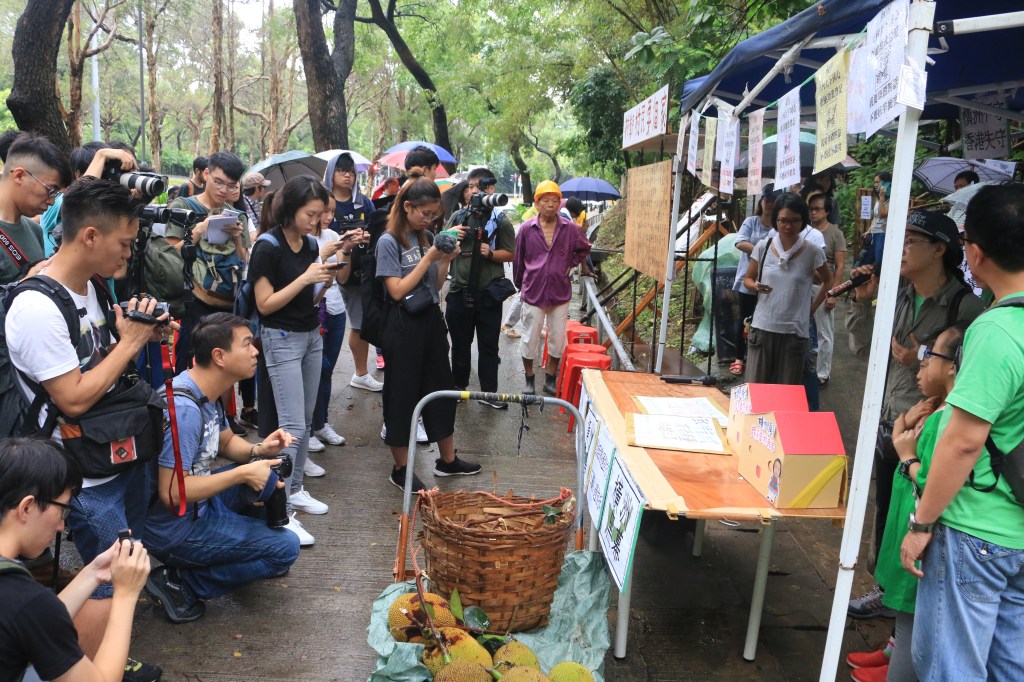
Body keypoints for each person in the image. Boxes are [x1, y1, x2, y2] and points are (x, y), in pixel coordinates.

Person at [5, 177, 168, 680]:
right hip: (85, 473)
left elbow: (102, 360)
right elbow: (72, 396)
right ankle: (93, 670)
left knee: (124, 564)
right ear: (90, 237)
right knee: (104, 584)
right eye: (124, 243)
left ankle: (104, 659)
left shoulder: (93, 287)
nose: (128, 253)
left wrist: (135, 332)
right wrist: (131, 343)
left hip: (123, 455)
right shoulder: (36, 306)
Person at [900, 183, 1024, 679]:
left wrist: (922, 523)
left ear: (973, 251)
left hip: (978, 529)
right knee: (1009, 665)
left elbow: (965, 439)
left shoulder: (994, 331)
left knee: (952, 665)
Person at [845, 209, 984, 620]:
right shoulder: (898, 294)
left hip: (933, 428)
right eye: (898, 240)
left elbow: (968, 371)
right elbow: (863, 350)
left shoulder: (966, 306)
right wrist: (862, 303)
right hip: (891, 418)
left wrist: (920, 357)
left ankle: (904, 612)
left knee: (919, 516)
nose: (899, 250)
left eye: (911, 241)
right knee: (887, 509)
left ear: (940, 249)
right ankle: (886, 591)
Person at [144, 313, 301, 621]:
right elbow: (173, 493)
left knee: (266, 480)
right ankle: (180, 583)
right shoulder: (185, 409)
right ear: (219, 356)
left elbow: (228, 443)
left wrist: (260, 449)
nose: (256, 350)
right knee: (286, 549)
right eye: (246, 344)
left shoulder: (207, 390)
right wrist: (242, 473)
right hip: (175, 528)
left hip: (197, 505)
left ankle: (246, 550)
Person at [846, 323, 967, 682]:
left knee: (912, 611)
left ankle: (899, 670)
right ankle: (893, 653)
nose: (920, 367)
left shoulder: (948, 421)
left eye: (928, 359)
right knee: (903, 608)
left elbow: (931, 479)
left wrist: (907, 456)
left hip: (922, 530)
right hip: (908, 523)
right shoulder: (932, 411)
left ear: (952, 367)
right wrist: (902, 425)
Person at [0, 438, 152, 682]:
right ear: (27, 507)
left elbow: (33, 619)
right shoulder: (23, 596)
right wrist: (125, 594)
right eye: (62, 510)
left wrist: (93, 573)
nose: (62, 525)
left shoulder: (20, 599)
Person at [246, 177, 337, 545]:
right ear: (290, 209)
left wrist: (324, 283)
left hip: (309, 334)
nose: (315, 222)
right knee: (291, 423)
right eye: (309, 214)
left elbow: (308, 299)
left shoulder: (311, 243)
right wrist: (304, 280)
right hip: (279, 337)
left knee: (306, 417)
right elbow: (265, 305)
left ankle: (295, 489)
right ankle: (280, 507)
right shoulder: (266, 247)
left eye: (318, 215)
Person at [376, 178, 481, 491]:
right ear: (407, 206)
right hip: (402, 325)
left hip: (430, 322)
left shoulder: (427, 236)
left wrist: (445, 259)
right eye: (425, 213)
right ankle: (401, 469)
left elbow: (434, 286)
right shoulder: (389, 242)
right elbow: (395, 291)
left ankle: (447, 461)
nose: (430, 219)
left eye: (435, 214)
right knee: (402, 394)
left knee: (441, 389)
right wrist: (428, 258)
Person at [165, 151, 252, 373]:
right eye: (219, 182)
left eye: (231, 186)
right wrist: (201, 228)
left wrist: (235, 236)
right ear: (205, 174)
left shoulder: (237, 215)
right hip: (194, 300)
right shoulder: (183, 206)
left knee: (225, 363)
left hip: (228, 299)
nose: (224, 190)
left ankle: (223, 409)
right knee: (193, 361)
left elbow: (244, 260)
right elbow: (169, 253)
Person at [443, 168, 516, 408]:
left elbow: (511, 254)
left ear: (490, 189)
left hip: (488, 294)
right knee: (460, 344)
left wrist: (491, 253)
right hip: (459, 291)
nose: (473, 191)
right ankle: (458, 387)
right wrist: (452, 236)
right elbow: (440, 244)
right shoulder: (459, 217)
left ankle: (489, 394)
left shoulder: (501, 221)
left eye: (479, 187)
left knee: (488, 346)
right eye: (470, 187)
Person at [742, 192, 832, 385]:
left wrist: (813, 308)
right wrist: (755, 286)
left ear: (803, 221)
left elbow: (828, 280)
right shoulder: (763, 246)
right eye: (783, 220)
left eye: (795, 220)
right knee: (757, 392)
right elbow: (747, 279)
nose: (788, 226)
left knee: (786, 395)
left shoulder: (812, 251)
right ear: (775, 221)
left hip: (794, 332)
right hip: (762, 328)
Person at [512, 180, 592, 395]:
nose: (550, 205)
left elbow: (584, 248)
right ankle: (529, 379)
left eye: (555, 200)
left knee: (557, 338)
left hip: (559, 291)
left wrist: (571, 264)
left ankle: (550, 377)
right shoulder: (527, 229)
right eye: (545, 200)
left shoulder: (570, 229)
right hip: (533, 291)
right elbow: (518, 259)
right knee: (529, 337)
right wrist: (521, 285)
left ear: (559, 204)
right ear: (536, 204)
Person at [309, 194, 363, 453]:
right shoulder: (304, 238)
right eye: (323, 211)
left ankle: (321, 423)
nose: (328, 217)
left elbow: (342, 277)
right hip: (313, 310)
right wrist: (322, 254)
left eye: (331, 212)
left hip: (335, 309)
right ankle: (307, 428)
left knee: (327, 371)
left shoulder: (332, 236)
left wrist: (345, 250)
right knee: (316, 369)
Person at [323, 152, 381, 392]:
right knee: (356, 322)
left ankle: (361, 372)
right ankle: (360, 373)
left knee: (362, 321)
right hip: (335, 272)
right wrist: (344, 241)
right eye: (342, 171)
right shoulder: (325, 203)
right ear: (331, 174)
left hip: (363, 269)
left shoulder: (364, 202)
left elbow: (375, 228)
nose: (348, 176)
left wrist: (366, 236)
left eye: (351, 172)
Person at [0, 133, 72, 283]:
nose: (52, 201)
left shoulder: (35, 230)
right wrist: (24, 284)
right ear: (19, 176)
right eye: (51, 190)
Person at [729, 184, 780, 375]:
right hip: (748, 279)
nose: (768, 203)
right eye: (766, 198)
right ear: (761, 201)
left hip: (772, 283)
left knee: (767, 321)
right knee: (745, 320)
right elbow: (739, 242)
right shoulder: (751, 222)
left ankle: (760, 358)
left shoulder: (780, 226)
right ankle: (738, 358)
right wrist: (763, 252)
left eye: (773, 200)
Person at [807, 193, 847, 387]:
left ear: (827, 211)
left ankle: (822, 374)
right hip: (804, 286)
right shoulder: (804, 231)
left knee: (824, 333)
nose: (813, 212)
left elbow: (840, 266)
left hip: (823, 287)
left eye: (818, 209)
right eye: (811, 209)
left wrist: (834, 293)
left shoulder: (835, 234)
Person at [867, 172, 891, 266]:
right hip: (874, 232)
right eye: (875, 182)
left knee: (879, 261)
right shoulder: (878, 198)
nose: (875, 185)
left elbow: (882, 214)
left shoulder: (891, 198)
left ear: (886, 183)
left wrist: (882, 197)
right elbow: (876, 217)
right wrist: (869, 230)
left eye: (877, 182)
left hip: (882, 233)